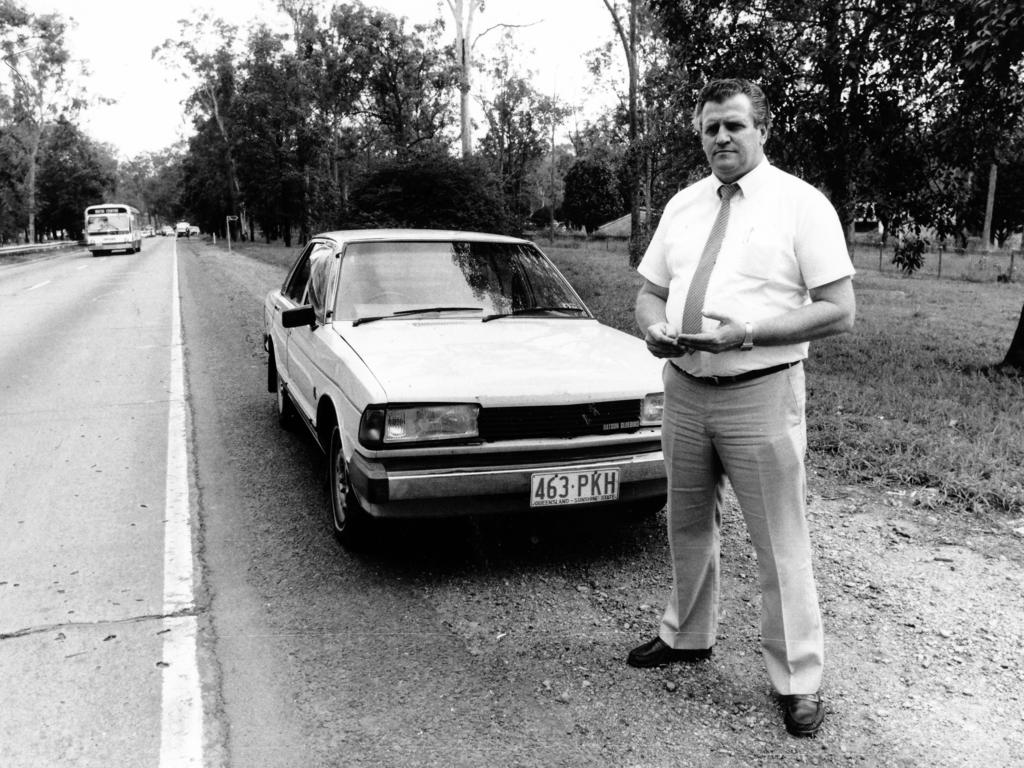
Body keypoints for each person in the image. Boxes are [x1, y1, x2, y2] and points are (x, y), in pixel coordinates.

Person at [629, 78, 855, 738]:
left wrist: (748, 333)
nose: (721, 138)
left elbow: (840, 309)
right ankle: (687, 635)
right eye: (710, 129)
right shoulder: (683, 205)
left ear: (762, 128)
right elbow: (649, 292)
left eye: (734, 125)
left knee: (780, 542)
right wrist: (650, 327)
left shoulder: (801, 205)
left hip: (761, 390)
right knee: (687, 523)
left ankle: (798, 680)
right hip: (685, 389)